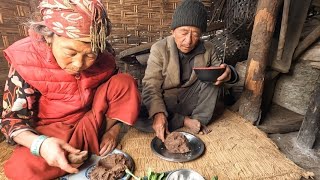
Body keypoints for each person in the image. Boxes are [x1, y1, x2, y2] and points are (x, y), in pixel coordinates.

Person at [0, 0, 140, 179]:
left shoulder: (103, 57)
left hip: (93, 121)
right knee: (19, 169)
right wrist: (42, 145)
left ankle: (88, 144)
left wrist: (113, 130)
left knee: (124, 82)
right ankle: (72, 151)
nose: (79, 64)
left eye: (90, 55)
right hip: (53, 133)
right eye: (71, 52)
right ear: (49, 36)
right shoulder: (26, 60)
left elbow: (117, 96)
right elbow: (10, 121)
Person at [136, 0, 238, 142]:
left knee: (212, 78)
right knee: (136, 117)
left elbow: (220, 71)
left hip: (192, 100)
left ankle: (199, 120)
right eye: (184, 33)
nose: (188, 40)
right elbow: (150, 85)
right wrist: (158, 113)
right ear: (172, 31)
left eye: (195, 34)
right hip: (167, 103)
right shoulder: (159, 49)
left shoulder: (208, 48)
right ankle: (185, 121)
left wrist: (229, 73)